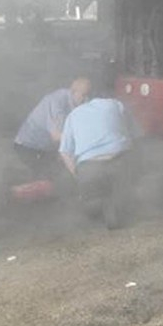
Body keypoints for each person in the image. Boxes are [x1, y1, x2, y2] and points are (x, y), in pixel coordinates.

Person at [59, 96, 138, 228]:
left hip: (89, 166)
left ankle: (100, 206)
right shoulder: (115, 104)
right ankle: (115, 205)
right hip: (119, 160)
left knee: (90, 203)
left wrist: (77, 175)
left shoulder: (72, 116)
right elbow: (133, 131)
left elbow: (64, 152)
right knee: (123, 192)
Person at [12, 78, 92, 179]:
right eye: (83, 95)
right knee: (47, 178)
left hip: (47, 149)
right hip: (28, 146)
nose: (86, 100)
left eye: (88, 95)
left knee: (60, 174)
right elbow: (56, 135)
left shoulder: (80, 104)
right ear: (73, 91)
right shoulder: (57, 102)